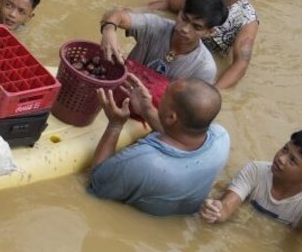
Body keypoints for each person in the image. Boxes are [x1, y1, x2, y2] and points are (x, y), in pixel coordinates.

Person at [87, 74, 230, 216]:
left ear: (171, 117)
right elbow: (179, 137)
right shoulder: (221, 137)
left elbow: (97, 184)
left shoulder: (143, 162)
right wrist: (146, 110)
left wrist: (115, 125)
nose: (160, 99)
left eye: (164, 97)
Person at [200, 128, 302, 252]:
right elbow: (226, 209)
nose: (281, 158)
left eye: (292, 160)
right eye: (285, 149)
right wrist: (215, 210)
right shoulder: (255, 171)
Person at [147, 0, 263, 89]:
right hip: (176, 45)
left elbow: (241, 64)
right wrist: (133, 11)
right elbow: (168, 4)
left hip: (202, 63)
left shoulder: (247, 19)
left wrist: (212, 91)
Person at [100, 0, 228, 84]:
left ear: (210, 32)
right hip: (121, 85)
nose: (184, 29)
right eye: (184, 18)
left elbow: (186, 110)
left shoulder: (204, 68)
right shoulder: (155, 26)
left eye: (197, 27)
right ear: (180, 11)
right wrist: (109, 29)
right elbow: (117, 15)